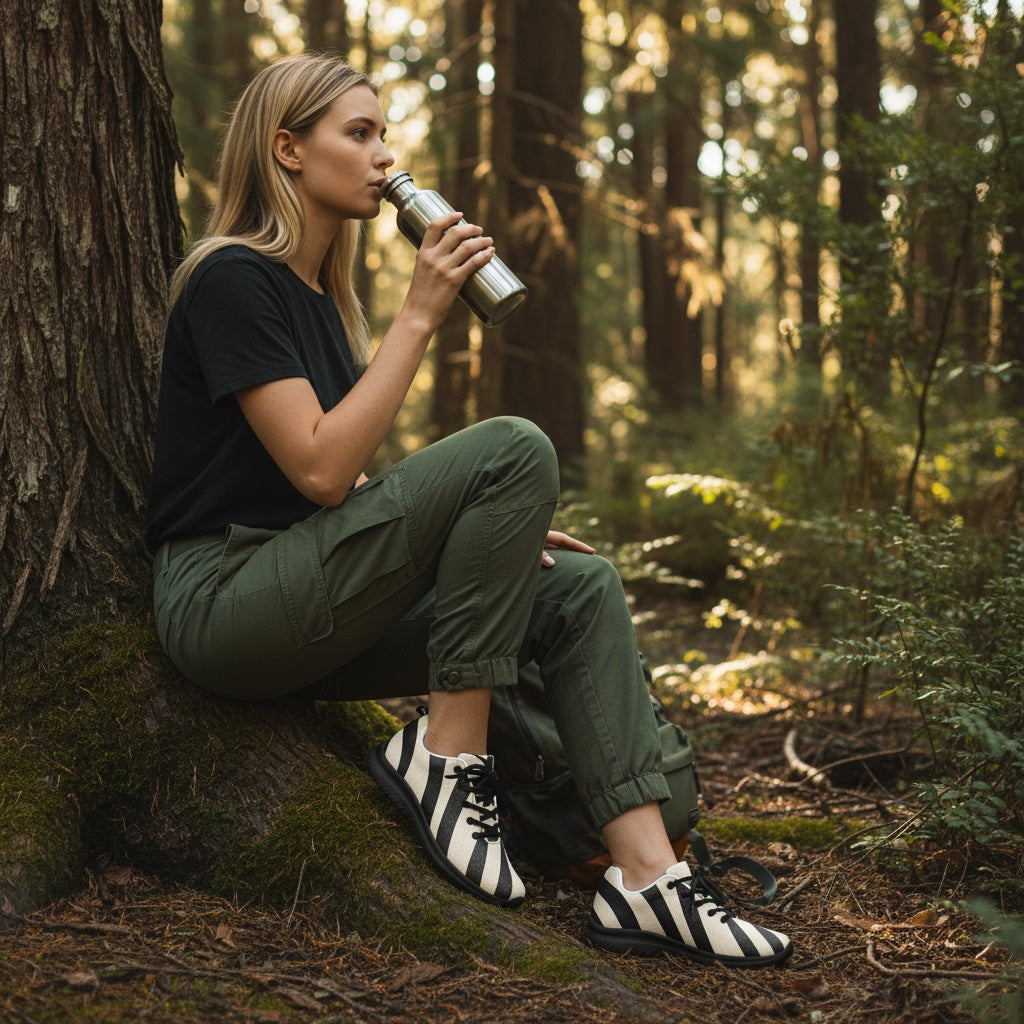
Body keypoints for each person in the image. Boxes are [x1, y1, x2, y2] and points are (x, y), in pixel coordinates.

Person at [144, 52, 792, 969]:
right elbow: (321, 470)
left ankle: (649, 879)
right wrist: (419, 315)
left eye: (383, 134)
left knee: (576, 589)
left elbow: (338, 498)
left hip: (307, 601)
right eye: (358, 133)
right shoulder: (231, 279)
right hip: (223, 603)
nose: (384, 156)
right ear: (288, 149)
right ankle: (448, 761)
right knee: (514, 445)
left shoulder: (324, 306)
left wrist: (489, 536)